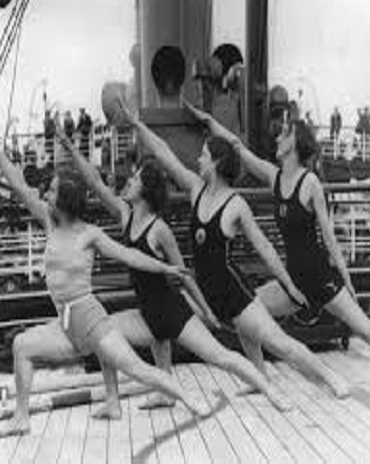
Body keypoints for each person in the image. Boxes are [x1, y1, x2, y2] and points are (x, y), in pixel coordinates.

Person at [186, 105, 370, 401]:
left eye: (285, 133)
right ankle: (259, 375)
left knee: (368, 331)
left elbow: (328, 236)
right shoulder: (274, 176)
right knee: (246, 312)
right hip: (293, 281)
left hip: (321, 278)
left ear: (295, 143)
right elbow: (238, 148)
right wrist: (211, 122)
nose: (278, 137)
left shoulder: (310, 183)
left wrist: (346, 277)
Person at [0, 131, 215, 438]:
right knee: (21, 345)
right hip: (65, 322)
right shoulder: (49, 221)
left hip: (90, 321)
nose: (46, 195)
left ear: (65, 199)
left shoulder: (90, 234)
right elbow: (19, 184)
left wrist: (164, 267)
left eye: (52, 191)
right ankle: (22, 418)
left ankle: (187, 397)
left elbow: (130, 255)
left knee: (137, 369)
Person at [114, 101, 350, 399]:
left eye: (203, 156)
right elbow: (164, 153)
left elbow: (265, 248)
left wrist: (289, 285)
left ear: (215, 163)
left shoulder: (236, 204)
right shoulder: (196, 188)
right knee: (164, 320)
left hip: (234, 294)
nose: (198, 160)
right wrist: (137, 125)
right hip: (205, 292)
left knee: (279, 343)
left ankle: (331, 377)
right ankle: (207, 383)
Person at [56, 126, 293, 412]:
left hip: (175, 314)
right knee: (102, 335)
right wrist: (71, 149)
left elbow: (183, 275)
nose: (128, 181)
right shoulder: (125, 216)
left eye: (135, 179)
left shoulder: (160, 230)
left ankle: (270, 391)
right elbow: (95, 183)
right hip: (147, 315)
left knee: (221, 357)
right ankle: (116, 402)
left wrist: (205, 311)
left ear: (146, 190)